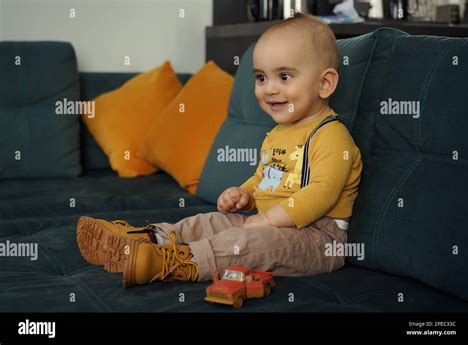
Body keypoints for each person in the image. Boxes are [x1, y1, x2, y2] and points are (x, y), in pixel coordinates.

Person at [76, 12, 363, 288]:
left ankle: (177, 263)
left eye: (284, 77)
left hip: (317, 238)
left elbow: (321, 194)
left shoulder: (332, 136)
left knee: (251, 244)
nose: (269, 89)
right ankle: (148, 239)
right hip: (265, 220)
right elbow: (266, 178)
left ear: (324, 83)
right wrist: (245, 194)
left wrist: (265, 221)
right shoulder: (278, 134)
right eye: (261, 77)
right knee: (209, 221)